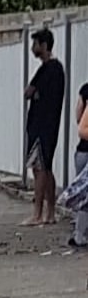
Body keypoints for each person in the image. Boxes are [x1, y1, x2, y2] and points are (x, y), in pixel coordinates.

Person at [22, 28, 65, 226]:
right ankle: (51, 213)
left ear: (44, 46)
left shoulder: (50, 69)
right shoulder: (52, 69)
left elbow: (29, 92)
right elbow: (31, 92)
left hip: (42, 126)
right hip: (49, 126)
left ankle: (37, 213)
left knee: (38, 168)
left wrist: (35, 93)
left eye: (35, 44)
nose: (33, 48)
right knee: (46, 168)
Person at [68, 83, 88, 246]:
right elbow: (81, 127)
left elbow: (78, 116)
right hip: (85, 153)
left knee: (82, 195)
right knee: (84, 196)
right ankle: (79, 234)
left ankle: (79, 233)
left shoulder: (85, 90)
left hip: (82, 151)